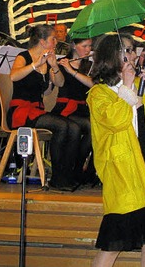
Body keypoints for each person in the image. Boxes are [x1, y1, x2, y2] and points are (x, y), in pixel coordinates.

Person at [87, 34, 145, 267]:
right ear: (110, 56)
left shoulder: (141, 87)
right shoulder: (99, 94)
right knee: (113, 245)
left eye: (133, 50)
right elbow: (115, 121)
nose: (133, 55)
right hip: (124, 174)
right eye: (127, 50)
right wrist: (126, 88)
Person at [8, 24, 79, 190]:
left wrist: (54, 66)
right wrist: (35, 65)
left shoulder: (48, 61)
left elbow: (59, 83)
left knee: (73, 128)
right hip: (21, 111)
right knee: (62, 126)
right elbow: (13, 76)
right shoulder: (23, 56)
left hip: (37, 110)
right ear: (42, 41)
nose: (56, 42)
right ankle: (56, 178)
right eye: (52, 39)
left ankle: (67, 175)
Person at [55, 37, 95, 183]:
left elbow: (93, 85)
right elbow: (58, 83)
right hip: (66, 108)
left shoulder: (89, 66)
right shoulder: (61, 63)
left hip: (82, 109)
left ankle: (79, 168)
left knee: (97, 127)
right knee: (90, 126)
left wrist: (72, 71)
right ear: (73, 46)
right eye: (84, 46)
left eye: (90, 46)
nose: (88, 49)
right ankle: (72, 169)